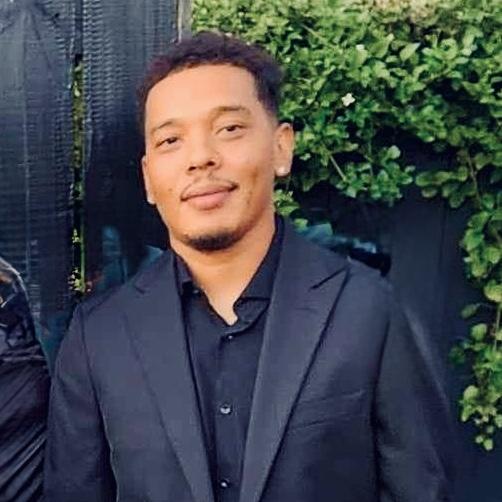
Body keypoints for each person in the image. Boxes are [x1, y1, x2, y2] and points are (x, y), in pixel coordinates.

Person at [44, 31, 454, 502]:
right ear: (149, 178)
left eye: (229, 128)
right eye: (171, 139)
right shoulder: (99, 338)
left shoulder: (368, 312)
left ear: (281, 147)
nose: (200, 158)